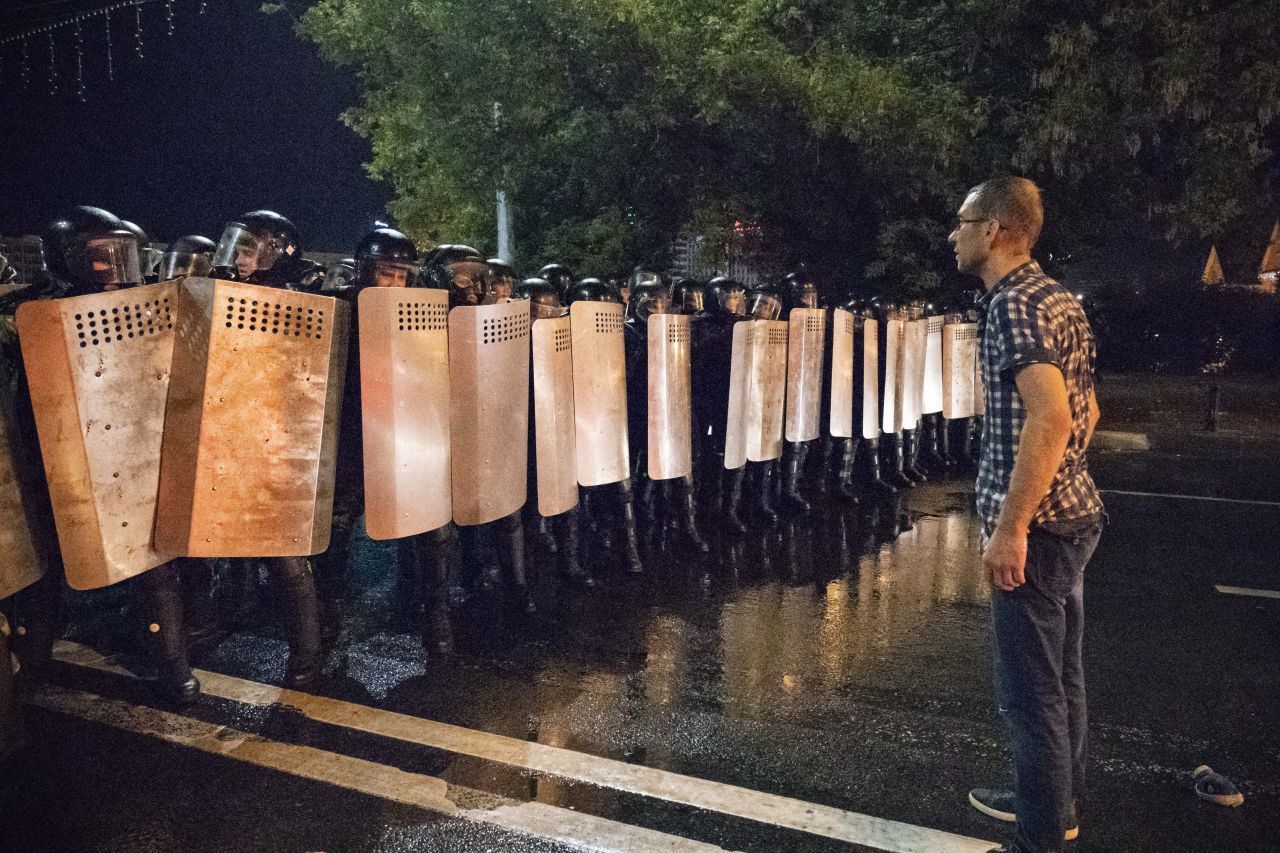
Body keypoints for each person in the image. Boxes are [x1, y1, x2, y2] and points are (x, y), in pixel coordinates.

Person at [949, 176, 1104, 853]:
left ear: (994, 231)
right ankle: (1055, 803)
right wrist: (1061, 476)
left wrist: (1012, 526)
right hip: (1074, 518)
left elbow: (1052, 415)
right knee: (1062, 679)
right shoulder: (1059, 298)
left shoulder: (1013, 304)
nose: (952, 235)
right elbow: (1088, 413)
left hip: (1038, 534)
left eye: (961, 222)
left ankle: (1038, 837)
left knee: (1030, 696)